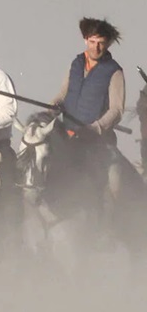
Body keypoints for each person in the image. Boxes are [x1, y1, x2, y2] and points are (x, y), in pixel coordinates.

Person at [49, 17, 126, 238]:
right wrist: (52, 107)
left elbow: (117, 110)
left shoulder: (114, 71)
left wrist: (96, 128)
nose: (96, 47)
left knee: (112, 182)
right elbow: (63, 93)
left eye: (101, 42)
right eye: (92, 41)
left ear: (108, 43)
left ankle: (109, 229)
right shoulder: (75, 63)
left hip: (96, 140)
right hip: (67, 134)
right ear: (85, 41)